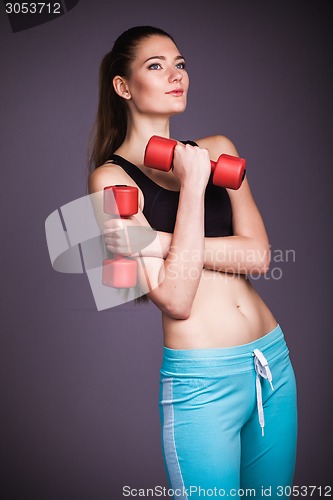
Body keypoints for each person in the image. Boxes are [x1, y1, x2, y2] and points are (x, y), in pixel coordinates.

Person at [87, 26, 297, 499]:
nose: (175, 75)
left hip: (271, 362)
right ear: (123, 86)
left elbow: (259, 256)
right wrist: (195, 184)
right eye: (156, 66)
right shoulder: (109, 178)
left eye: (179, 64)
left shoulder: (218, 146)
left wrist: (155, 240)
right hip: (204, 382)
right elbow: (176, 297)